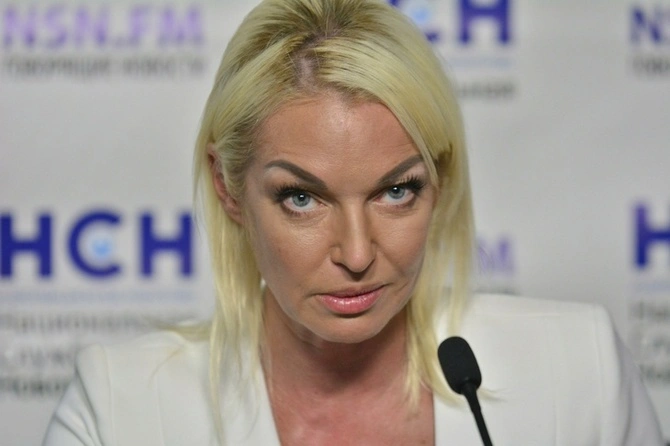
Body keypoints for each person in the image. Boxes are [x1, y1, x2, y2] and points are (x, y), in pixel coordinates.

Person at [43, 0, 663, 444]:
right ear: (227, 188)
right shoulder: (120, 409)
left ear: (440, 182)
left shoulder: (580, 372)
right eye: (302, 199)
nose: (358, 253)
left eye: (396, 191)